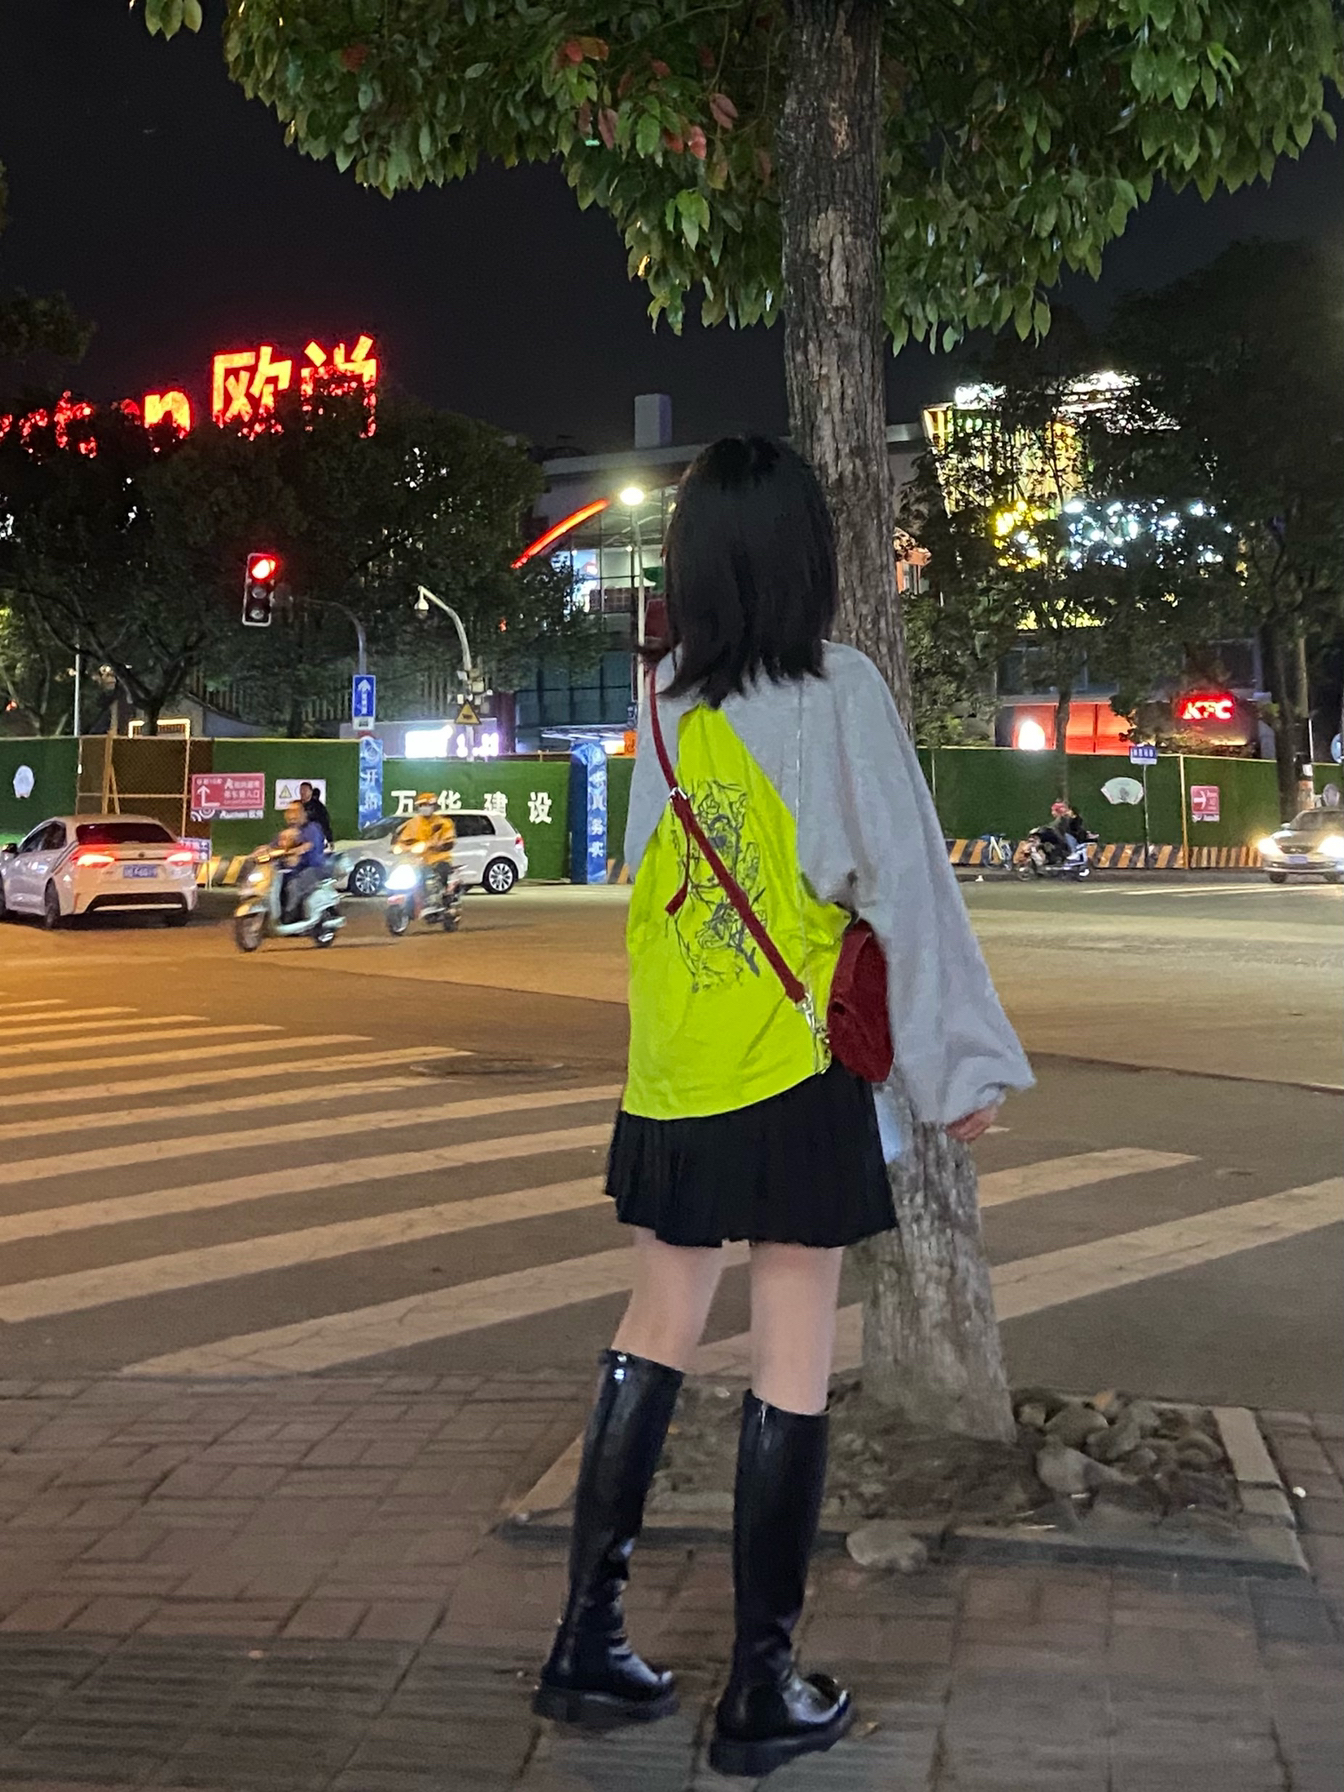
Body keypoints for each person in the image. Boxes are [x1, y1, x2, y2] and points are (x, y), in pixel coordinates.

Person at [532, 437, 1033, 1777]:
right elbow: (905, 885)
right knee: (793, 1349)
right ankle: (760, 1686)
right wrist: (961, 1071)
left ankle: (587, 1642)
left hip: (674, 1066)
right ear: (808, 556)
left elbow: (647, 871)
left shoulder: (656, 697)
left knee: (655, 1326)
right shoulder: (837, 690)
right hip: (794, 1066)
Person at [391, 793, 456, 904]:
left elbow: (448, 839)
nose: (424, 808)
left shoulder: (443, 823)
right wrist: (398, 847)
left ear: (434, 806)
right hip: (416, 861)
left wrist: (441, 845)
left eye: (427, 805)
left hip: (438, 859)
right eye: (422, 805)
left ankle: (445, 896)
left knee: (443, 870)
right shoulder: (412, 823)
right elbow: (403, 838)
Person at [273, 800, 326, 922]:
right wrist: (262, 850)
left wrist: (297, 851)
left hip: (313, 868)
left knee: (294, 886)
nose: (292, 815)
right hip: (292, 870)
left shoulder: (312, 828)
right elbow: (274, 846)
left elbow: (309, 845)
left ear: (304, 814)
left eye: (295, 811)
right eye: (289, 811)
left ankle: (291, 917)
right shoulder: (286, 832)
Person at [299, 781, 334, 848]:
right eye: (301, 790)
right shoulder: (297, 806)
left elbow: (325, 823)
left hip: (314, 840)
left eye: (305, 790)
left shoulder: (318, 807)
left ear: (311, 792)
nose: (303, 792)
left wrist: (330, 839)